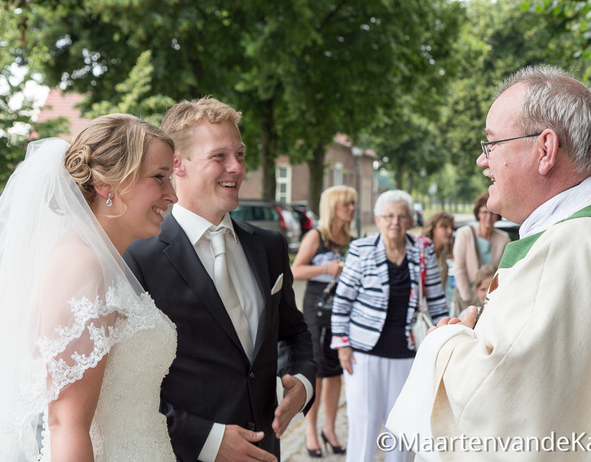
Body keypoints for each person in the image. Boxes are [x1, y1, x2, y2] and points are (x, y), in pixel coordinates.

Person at [387, 65, 591, 460]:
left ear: (545, 149)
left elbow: (494, 399)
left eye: (491, 145)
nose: (481, 161)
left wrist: (444, 342)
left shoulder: (564, 248)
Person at [0, 114, 179, 460]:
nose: (171, 194)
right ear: (106, 185)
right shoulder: (81, 264)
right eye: (159, 177)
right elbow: (65, 422)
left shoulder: (102, 260)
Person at [124, 97, 316, 462]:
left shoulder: (270, 246)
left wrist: (302, 384)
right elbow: (125, 388)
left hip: (267, 451)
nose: (236, 168)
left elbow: (294, 333)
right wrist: (206, 440)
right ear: (177, 165)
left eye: (240, 155)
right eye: (219, 157)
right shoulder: (138, 255)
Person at [331, 189, 448, 462]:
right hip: (364, 352)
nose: (395, 221)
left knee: (402, 426)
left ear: (410, 220)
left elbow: (437, 300)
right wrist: (342, 346)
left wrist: (443, 337)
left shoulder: (423, 249)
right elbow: (342, 301)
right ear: (378, 219)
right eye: (389, 216)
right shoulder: (361, 249)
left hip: (408, 352)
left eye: (402, 216)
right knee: (364, 422)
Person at [290, 185, 356, 458]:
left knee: (335, 372)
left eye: (353, 204)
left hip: (343, 310)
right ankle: (310, 431)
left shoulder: (351, 239)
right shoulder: (316, 236)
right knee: (316, 373)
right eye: (346, 205)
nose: (352, 209)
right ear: (333, 208)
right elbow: (295, 270)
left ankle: (329, 429)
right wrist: (325, 268)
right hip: (316, 310)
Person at [452, 193, 509, 315]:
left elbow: (505, 270)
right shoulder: (464, 233)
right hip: (467, 295)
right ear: (478, 213)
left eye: (493, 213)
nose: (489, 216)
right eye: (484, 212)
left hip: (491, 298)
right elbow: (459, 268)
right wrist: (467, 298)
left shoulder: (504, 238)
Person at [421, 212, 454, 290]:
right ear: (432, 228)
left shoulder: (444, 257)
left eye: (452, 227)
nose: (450, 231)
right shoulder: (422, 253)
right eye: (445, 227)